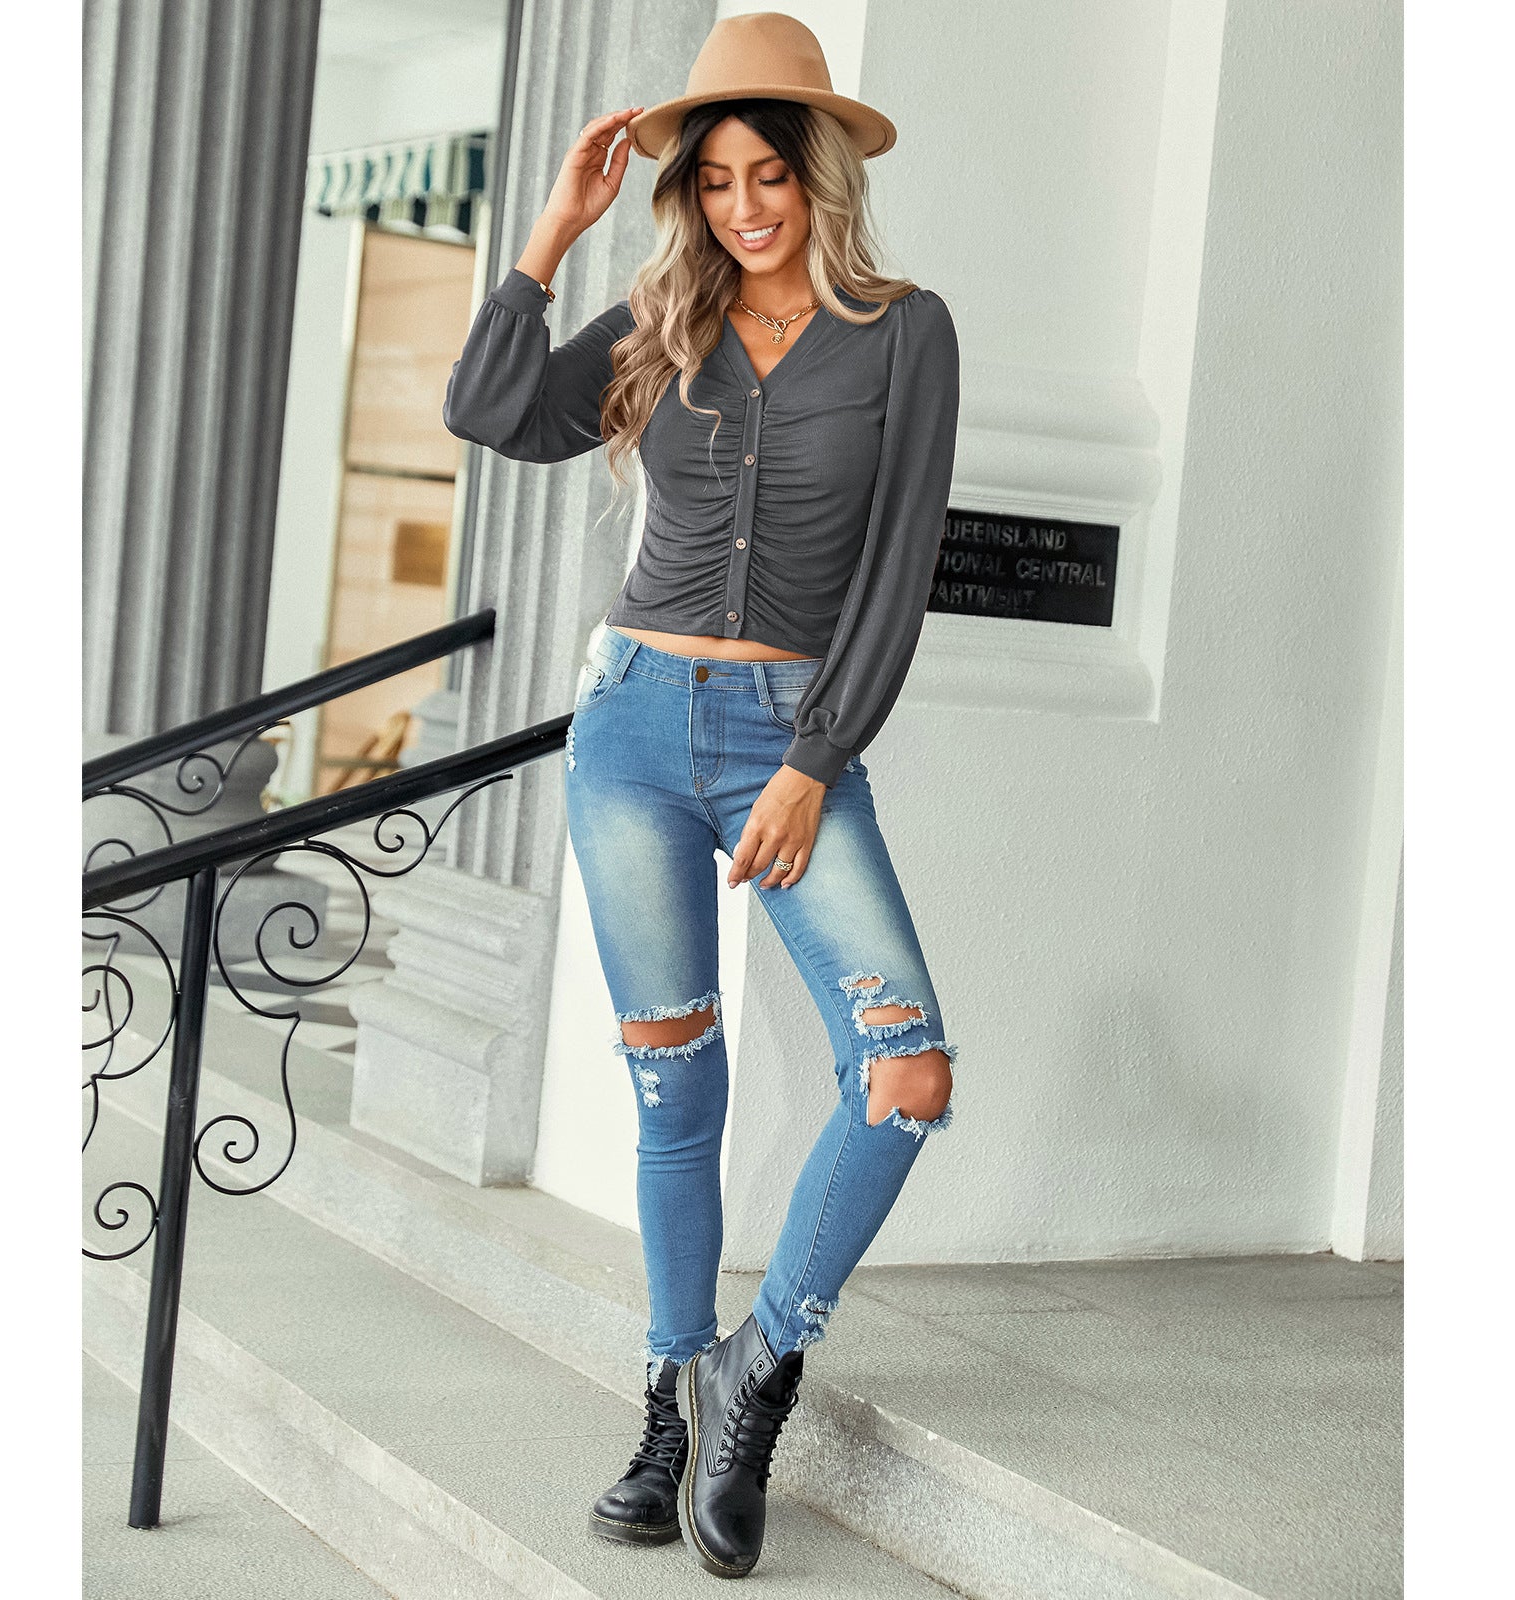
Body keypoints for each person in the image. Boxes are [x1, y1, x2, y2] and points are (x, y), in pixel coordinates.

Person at [442, 11, 960, 1582]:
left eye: (767, 176)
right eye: (716, 179)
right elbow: (492, 412)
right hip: (630, 729)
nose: (743, 206)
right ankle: (669, 1408)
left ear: (819, 176)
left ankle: (760, 1366)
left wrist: (812, 762)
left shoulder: (906, 335)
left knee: (905, 1067)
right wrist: (552, 232)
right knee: (675, 1089)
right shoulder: (662, 318)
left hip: (789, 733)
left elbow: (899, 574)